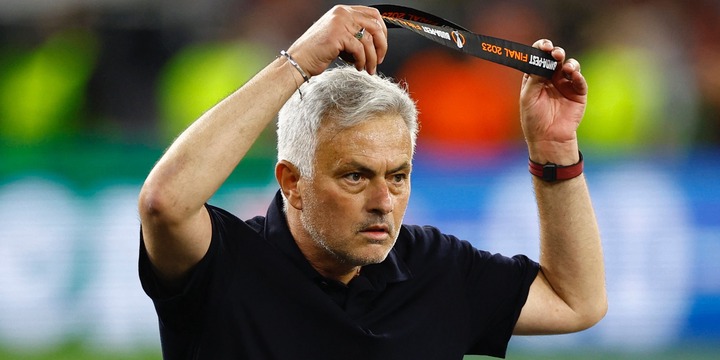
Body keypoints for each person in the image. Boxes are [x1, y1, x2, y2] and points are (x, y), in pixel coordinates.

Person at [138, 5, 607, 359]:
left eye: (398, 176)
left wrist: (555, 152)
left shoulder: (433, 269)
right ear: (292, 183)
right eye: (356, 176)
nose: (384, 201)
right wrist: (297, 60)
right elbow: (165, 202)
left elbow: (575, 302)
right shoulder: (226, 264)